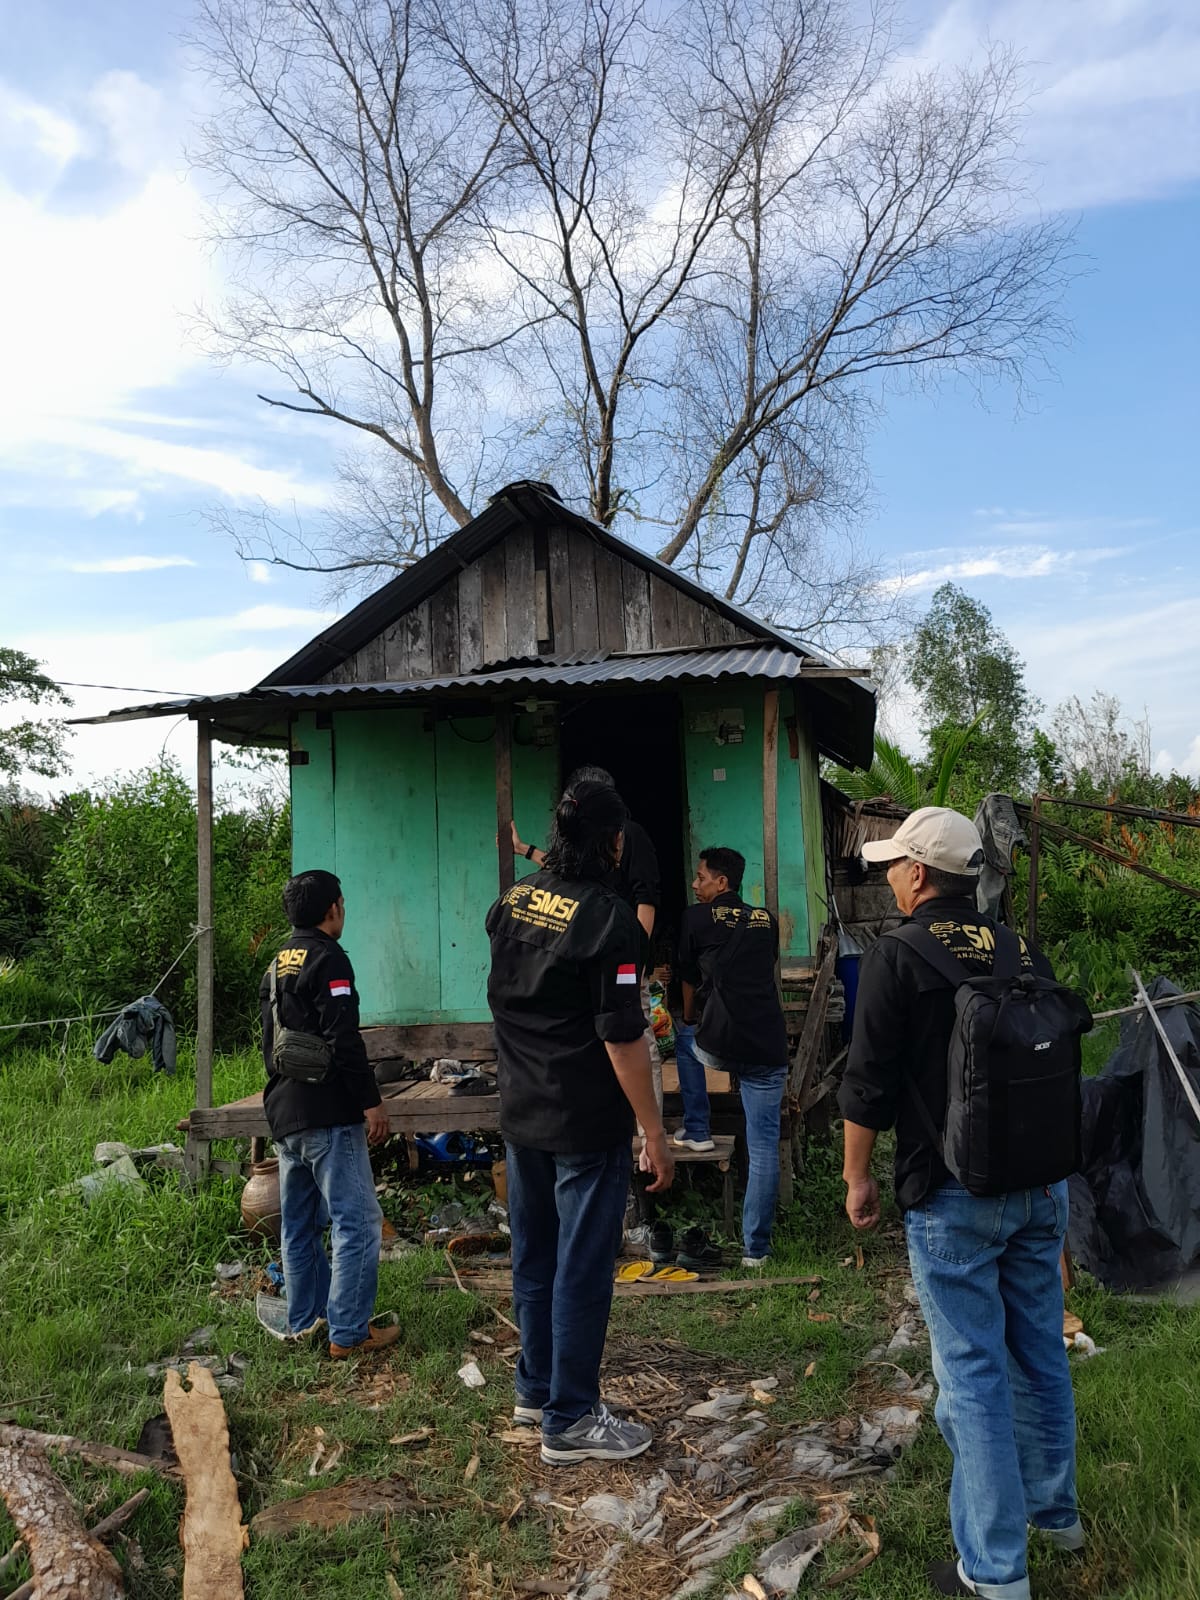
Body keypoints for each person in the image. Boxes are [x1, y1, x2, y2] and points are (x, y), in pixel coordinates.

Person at [839, 807, 1082, 1600]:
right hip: (1038, 1185)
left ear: (917, 874)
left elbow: (867, 1085)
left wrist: (857, 1177)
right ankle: (1058, 1517)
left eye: (893, 866)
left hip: (951, 1197)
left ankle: (994, 1572)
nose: (888, 877)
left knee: (973, 1372)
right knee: (1038, 1350)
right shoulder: (1018, 946)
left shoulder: (898, 955)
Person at [487, 779, 675, 1464]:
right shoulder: (609, 919)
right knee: (584, 1267)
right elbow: (623, 1040)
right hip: (584, 1122)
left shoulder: (512, 904)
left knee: (534, 1258)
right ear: (614, 841)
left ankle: (535, 1389)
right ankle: (569, 1417)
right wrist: (653, 1132)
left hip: (522, 1112)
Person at [259, 870, 396, 1358]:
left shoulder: (277, 963)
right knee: (356, 1221)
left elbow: (268, 1043)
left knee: (298, 1223)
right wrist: (370, 1102)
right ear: (332, 909)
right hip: (327, 1114)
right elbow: (344, 1039)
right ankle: (348, 1334)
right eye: (342, 902)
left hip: (284, 1111)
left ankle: (306, 1321)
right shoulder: (328, 958)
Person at [511, 764, 664, 1107]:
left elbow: (646, 898)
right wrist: (525, 849)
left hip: (619, 955)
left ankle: (645, 1130)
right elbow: (562, 868)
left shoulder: (629, 834)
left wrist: (635, 960)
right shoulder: (579, 842)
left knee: (635, 1040)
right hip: (583, 956)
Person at [675, 847, 789, 1267]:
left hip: (720, 1041)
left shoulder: (693, 918)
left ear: (721, 883)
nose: (694, 883)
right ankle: (756, 1251)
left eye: (700, 877)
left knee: (685, 1042)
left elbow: (688, 977)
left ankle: (697, 1126)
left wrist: (689, 1016)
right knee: (762, 1150)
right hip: (766, 1043)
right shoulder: (766, 920)